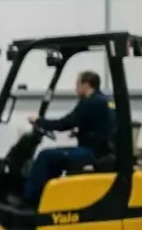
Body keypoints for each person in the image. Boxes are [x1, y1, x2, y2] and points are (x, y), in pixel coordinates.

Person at [21, 70, 116, 206]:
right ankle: (49, 198)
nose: (75, 88)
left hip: (92, 153)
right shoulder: (104, 100)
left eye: (77, 84)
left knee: (45, 156)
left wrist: (39, 121)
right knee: (54, 158)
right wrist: (79, 132)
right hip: (101, 150)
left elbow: (64, 123)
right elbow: (99, 126)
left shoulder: (90, 102)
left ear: (86, 85)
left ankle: (31, 199)